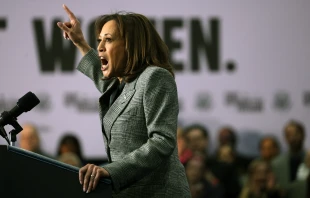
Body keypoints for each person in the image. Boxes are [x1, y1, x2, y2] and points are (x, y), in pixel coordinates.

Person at [57, 4, 190, 197]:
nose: (100, 47)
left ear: (131, 45)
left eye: (108, 40)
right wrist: (80, 42)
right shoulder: (122, 85)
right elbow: (100, 74)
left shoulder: (155, 77)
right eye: (99, 40)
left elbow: (162, 141)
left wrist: (112, 170)